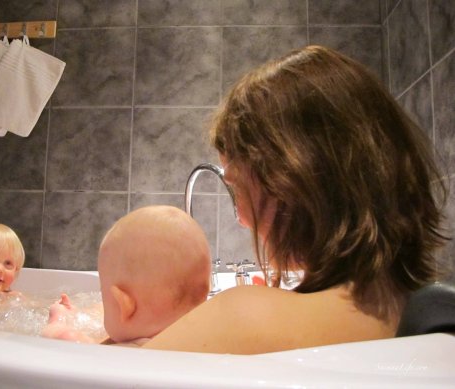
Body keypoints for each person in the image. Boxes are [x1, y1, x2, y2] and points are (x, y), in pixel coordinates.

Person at [141, 45, 449, 354]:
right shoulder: (425, 311)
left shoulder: (245, 318)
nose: (241, 219)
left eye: (237, 189)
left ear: (288, 181)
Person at [42, 205, 212, 346]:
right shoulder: (201, 342)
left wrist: (58, 319)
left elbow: (63, 339)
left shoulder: (131, 353)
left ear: (124, 305)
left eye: (104, 294)